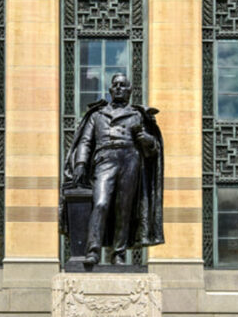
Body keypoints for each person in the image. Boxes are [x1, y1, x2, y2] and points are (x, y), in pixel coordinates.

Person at [61, 73, 165, 265]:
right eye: (115, 85)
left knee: (123, 209)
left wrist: (145, 139)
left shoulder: (138, 115)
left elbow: (153, 150)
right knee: (100, 203)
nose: (118, 88)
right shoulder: (97, 115)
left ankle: (118, 253)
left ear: (129, 91)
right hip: (105, 159)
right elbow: (85, 141)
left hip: (130, 160)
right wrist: (81, 164)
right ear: (110, 90)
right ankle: (92, 250)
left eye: (123, 85)